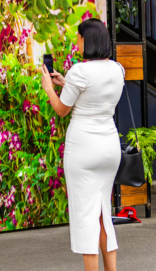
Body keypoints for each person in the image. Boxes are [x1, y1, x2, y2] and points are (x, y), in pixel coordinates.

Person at [40, 18, 124, 271]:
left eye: (78, 37)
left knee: (85, 218)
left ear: (87, 40)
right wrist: (66, 83)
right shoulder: (117, 69)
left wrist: (48, 88)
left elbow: (61, 109)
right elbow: (94, 95)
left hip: (84, 148)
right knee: (102, 216)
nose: (76, 41)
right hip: (109, 147)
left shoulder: (80, 71)